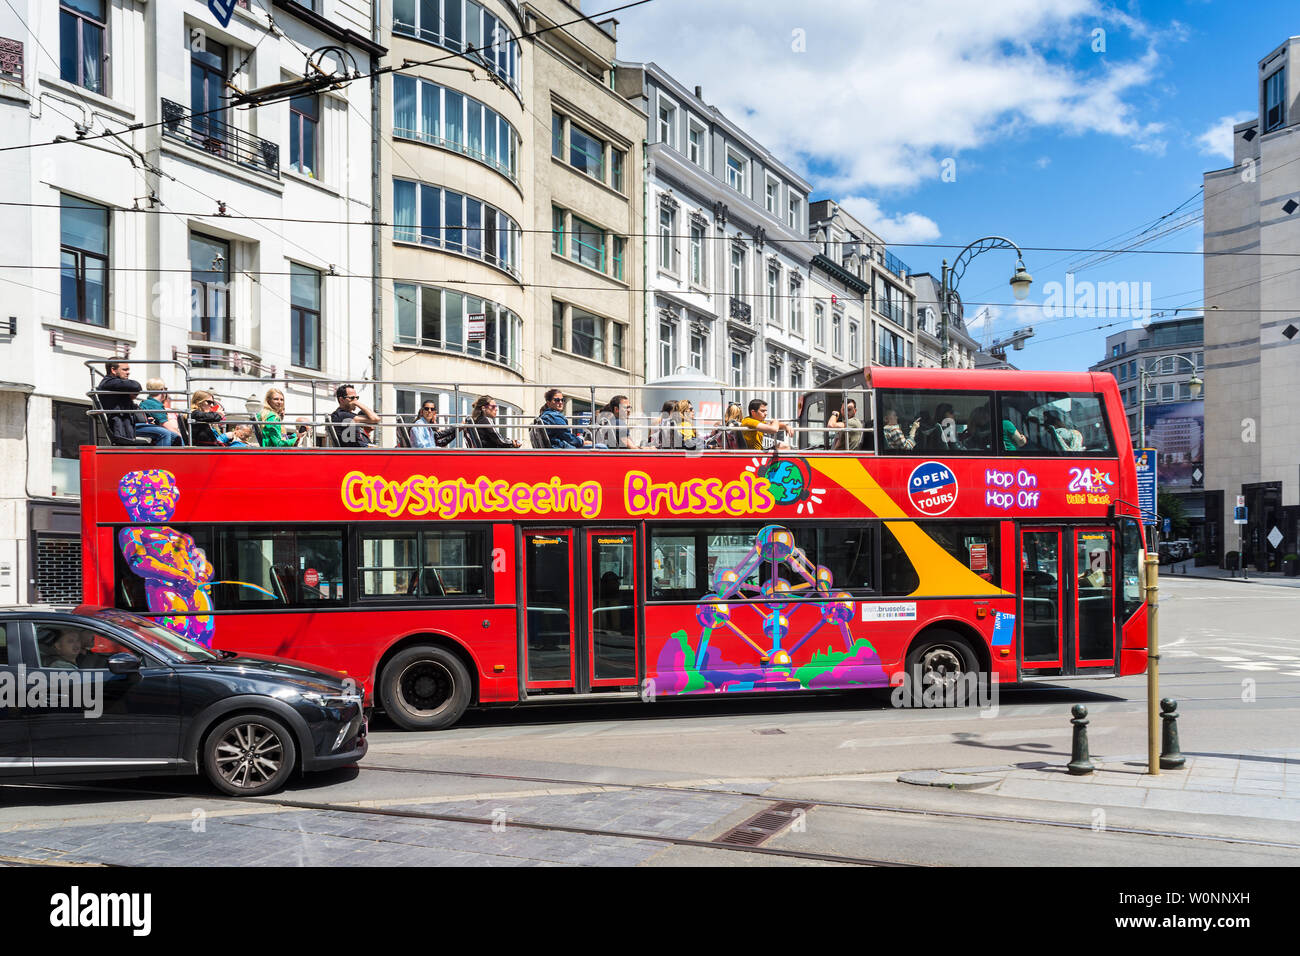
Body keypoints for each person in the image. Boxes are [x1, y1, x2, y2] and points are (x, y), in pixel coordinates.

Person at [140, 379, 185, 444]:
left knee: (173, 435)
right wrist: (180, 435)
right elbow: (165, 425)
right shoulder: (153, 404)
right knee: (176, 435)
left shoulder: (150, 403)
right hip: (146, 429)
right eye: (165, 388)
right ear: (162, 390)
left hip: (146, 428)